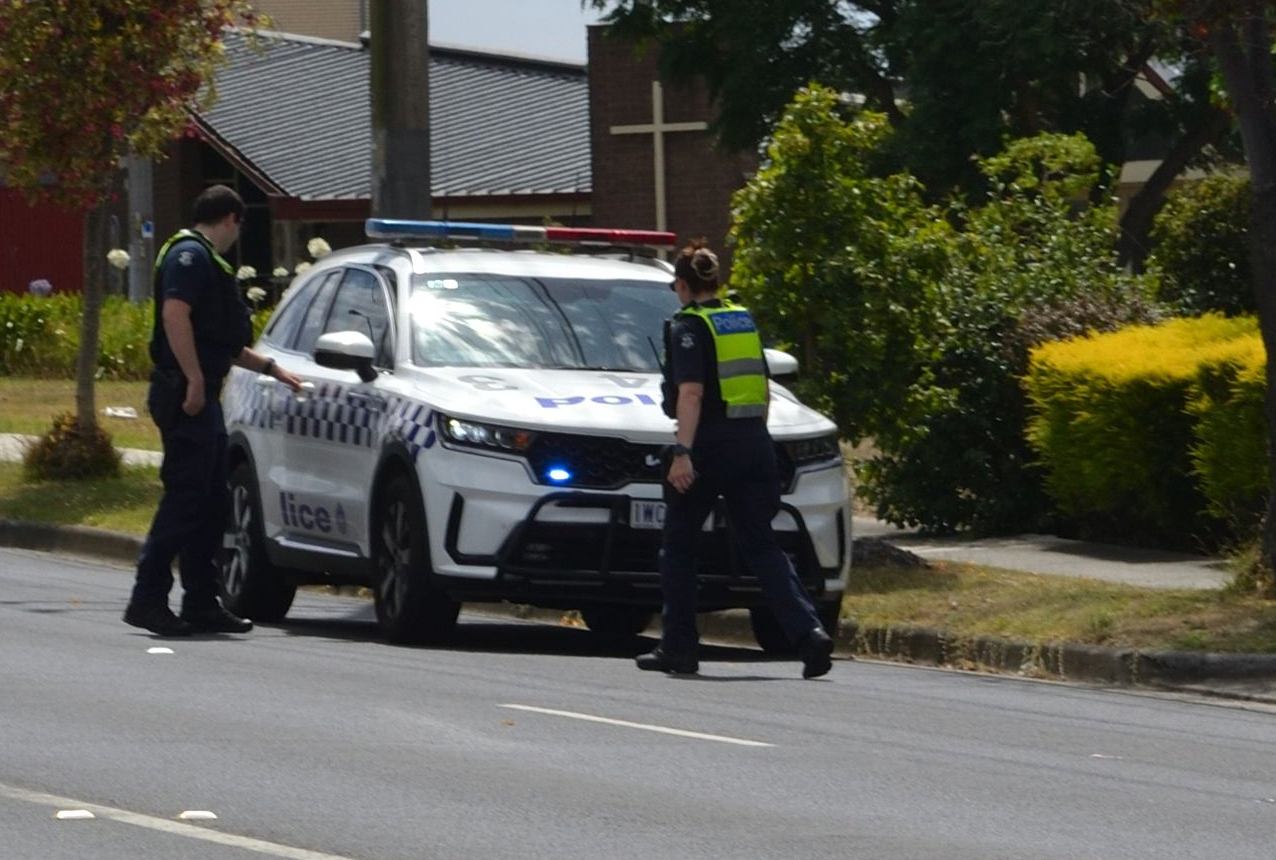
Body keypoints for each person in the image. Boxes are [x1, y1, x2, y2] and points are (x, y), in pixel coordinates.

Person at [637, 241, 835, 678]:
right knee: (761, 545)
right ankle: (810, 636)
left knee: (680, 545)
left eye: (676, 287)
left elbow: (691, 393)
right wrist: (756, 441)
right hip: (753, 443)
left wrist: (683, 454)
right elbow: (762, 390)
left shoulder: (688, 326)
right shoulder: (741, 321)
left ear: (684, 285)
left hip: (709, 444)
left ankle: (679, 648)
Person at [123, 185, 302, 636]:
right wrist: (196, 379)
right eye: (238, 226)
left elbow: (215, 338)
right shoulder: (191, 256)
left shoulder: (203, 258)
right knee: (185, 499)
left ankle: (201, 601)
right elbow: (175, 316)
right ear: (231, 219)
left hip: (200, 394)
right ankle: (147, 598)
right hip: (187, 395)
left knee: (212, 502)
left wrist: (269, 367)